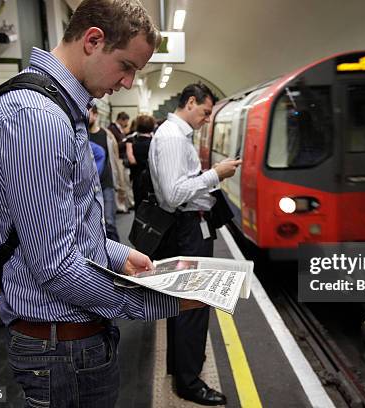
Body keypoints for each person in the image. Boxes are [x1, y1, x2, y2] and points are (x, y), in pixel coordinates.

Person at [0, 1, 203, 406]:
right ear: (93, 40)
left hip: (70, 343)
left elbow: (69, 224)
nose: (129, 83)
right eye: (126, 66)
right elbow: (56, 267)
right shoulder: (35, 117)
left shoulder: (58, 109)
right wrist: (160, 301)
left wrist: (117, 255)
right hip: (61, 349)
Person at [149, 83, 242, 406]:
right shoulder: (174, 138)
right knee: (194, 304)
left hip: (187, 227)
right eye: (204, 111)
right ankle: (189, 383)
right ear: (190, 102)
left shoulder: (173, 135)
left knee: (184, 303)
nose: (206, 119)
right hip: (188, 228)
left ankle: (181, 366)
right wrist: (215, 174)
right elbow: (175, 195)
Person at [88, 105, 120, 241]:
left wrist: (120, 186)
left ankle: (118, 259)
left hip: (106, 184)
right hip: (88, 186)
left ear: (95, 115)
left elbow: (115, 160)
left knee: (109, 222)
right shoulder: (79, 134)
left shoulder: (106, 135)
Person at [126, 114, 155, 207]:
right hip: (152, 179)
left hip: (137, 176)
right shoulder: (154, 141)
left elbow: (131, 159)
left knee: (139, 205)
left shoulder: (131, 141)